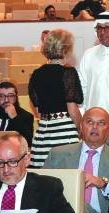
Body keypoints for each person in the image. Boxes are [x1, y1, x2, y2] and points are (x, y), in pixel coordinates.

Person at [44, 107, 109, 213]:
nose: (94, 127)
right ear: (81, 127)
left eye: (101, 123)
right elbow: (43, 191)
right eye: (90, 122)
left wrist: (102, 184)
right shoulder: (57, 155)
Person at [29, 28, 84, 167]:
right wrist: (80, 128)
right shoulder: (68, 73)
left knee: (43, 176)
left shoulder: (36, 74)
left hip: (43, 133)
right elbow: (72, 109)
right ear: (66, 49)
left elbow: (38, 112)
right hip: (65, 132)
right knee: (67, 176)